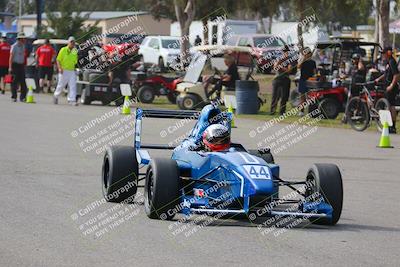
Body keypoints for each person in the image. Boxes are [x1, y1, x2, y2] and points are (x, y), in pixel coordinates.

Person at [374, 46, 399, 134]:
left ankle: (392, 126)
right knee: (388, 105)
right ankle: (390, 125)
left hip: (391, 87)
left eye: (383, 53)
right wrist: (378, 79)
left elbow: (396, 75)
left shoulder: (392, 62)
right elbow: (386, 74)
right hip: (387, 85)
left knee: (391, 106)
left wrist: (392, 85)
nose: (382, 55)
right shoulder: (389, 62)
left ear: (388, 53)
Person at [54, 36, 78, 105]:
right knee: (61, 85)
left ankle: (72, 100)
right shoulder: (63, 50)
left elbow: (75, 61)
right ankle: (56, 96)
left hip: (71, 71)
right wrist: (59, 68)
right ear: (68, 43)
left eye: (73, 42)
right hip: (63, 70)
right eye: (71, 42)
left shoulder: (75, 51)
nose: (72, 44)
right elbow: (58, 60)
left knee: (73, 85)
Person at [270, 46, 292, 115]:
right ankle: (272, 111)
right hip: (277, 79)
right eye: (284, 52)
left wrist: (280, 67)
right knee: (275, 96)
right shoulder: (278, 58)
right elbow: (275, 67)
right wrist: (282, 67)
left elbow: (289, 70)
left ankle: (282, 111)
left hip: (285, 79)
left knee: (284, 96)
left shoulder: (289, 60)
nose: (286, 53)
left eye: (287, 52)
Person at [297, 47, 316, 116]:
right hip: (302, 80)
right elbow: (298, 66)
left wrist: (314, 78)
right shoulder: (302, 61)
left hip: (310, 81)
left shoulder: (313, 62)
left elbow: (314, 72)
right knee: (302, 97)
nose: (307, 55)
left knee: (310, 97)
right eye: (305, 53)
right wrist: (303, 59)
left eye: (308, 53)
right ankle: (301, 111)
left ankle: (310, 112)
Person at [9, 32, 27, 102]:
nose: (24, 40)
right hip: (15, 65)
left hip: (21, 65)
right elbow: (11, 57)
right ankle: (14, 96)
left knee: (23, 81)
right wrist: (10, 67)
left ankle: (23, 97)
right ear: (19, 39)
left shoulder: (23, 46)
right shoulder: (14, 46)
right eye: (23, 39)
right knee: (14, 81)